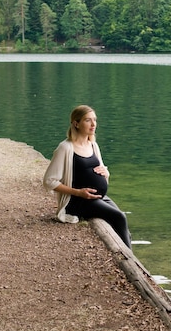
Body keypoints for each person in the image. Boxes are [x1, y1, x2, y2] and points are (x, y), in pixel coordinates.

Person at [43, 105, 132, 249]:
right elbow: (49, 181)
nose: (93, 124)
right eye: (88, 120)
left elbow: (103, 170)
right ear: (76, 123)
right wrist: (78, 192)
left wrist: (105, 173)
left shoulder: (93, 145)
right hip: (78, 201)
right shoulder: (65, 148)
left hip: (97, 197)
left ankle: (129, 256)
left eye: (94, 120)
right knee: (119, 218)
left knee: (122, 222)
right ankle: (128, 259)